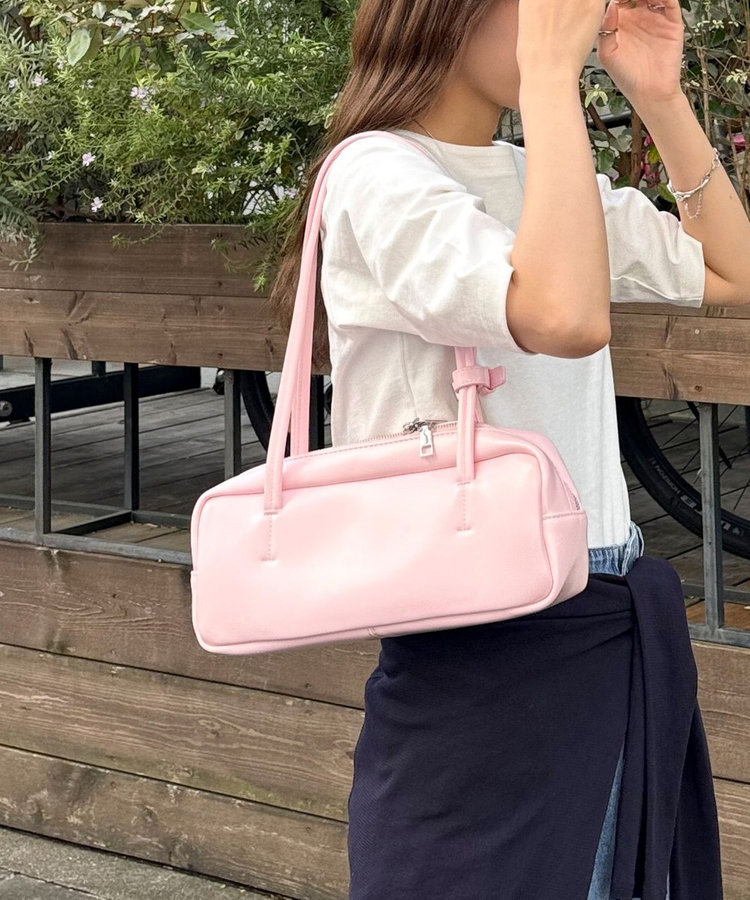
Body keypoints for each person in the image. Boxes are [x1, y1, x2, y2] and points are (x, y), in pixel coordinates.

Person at [268, 1, 750, 897]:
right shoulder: (377, 173)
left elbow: (733, 270)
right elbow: (563, 315)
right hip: (475, 637)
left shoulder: (541, 176)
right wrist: (552, 77)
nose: (571, 18)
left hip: (598, 610)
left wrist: (659, 97)